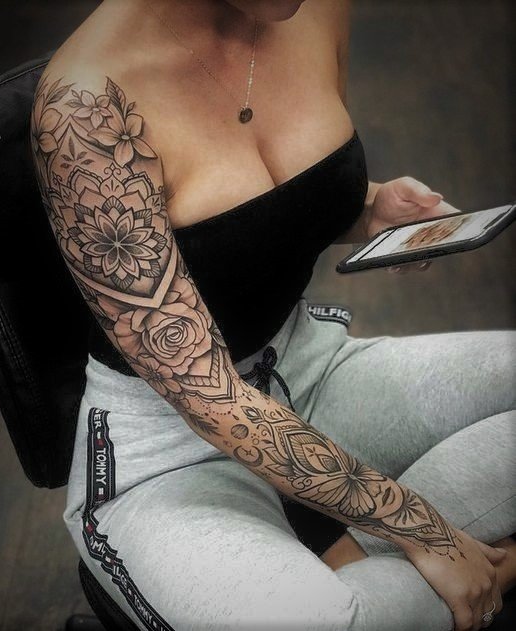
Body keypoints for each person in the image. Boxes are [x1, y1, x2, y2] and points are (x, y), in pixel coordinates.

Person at [30, 1, 516, 629]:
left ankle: (348, 557)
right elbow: (208, 397)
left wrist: (367, 207)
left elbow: (254, 202)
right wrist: (425, 530)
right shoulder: (84, 106)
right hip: (172, 447)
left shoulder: (309, 8)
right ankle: (482, 564)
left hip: (307, 372)